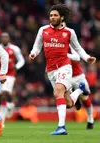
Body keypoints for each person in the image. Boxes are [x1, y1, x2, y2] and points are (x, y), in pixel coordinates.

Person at [29, 4, 96, 135]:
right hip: (51, 69)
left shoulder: (69, 32)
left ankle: (61, 127)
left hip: (64, 67)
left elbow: (78, 48)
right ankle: (79, 91)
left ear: (62, 17)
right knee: (69, 103)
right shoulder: (43, 30)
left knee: (57, 91)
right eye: (51, 15)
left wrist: (87, 57)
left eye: (55, 15)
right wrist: (33, 53)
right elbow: (37, 46)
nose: (52, 17)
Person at [0, 32, 25, 127]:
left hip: (9, 75)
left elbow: (21, 60)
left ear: (9, 38)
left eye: (6, 37)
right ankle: (9, 106)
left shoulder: (14, 49)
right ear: (0, 39)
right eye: (3, 37)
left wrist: (16, 67)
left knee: (4, 94)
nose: (5, 39)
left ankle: (2, 121)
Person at [64, 46, 94, 129]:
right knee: (67, 101)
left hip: (78, 76)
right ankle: (77, 95)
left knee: (85, 98)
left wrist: (64, 54)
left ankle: (90, 120)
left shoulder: (70, 44)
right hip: (66, 77)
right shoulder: (53, 47)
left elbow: (77, 57)